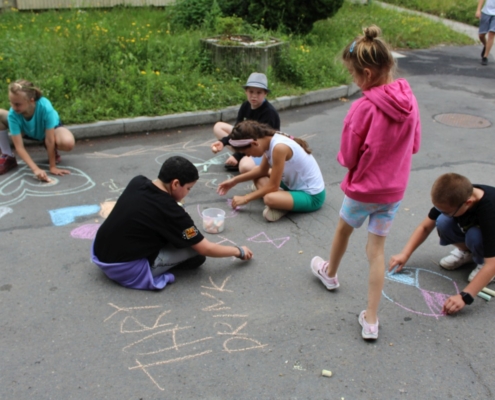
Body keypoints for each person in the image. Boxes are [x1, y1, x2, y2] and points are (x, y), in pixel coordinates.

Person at [310, 25, 421, 340]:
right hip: (393, 191)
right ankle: (371, 320)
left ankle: (330, 273)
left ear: (368, 74)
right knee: (377, 251)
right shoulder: (409, 102)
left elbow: (347, 157)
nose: (353, 80)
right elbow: (413, 146)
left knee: (344, 229)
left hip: (363, 190)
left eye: (353, 74)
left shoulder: (362, 108)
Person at [92, 156, 253, 290]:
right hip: (125, 269)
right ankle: (151, 269)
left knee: (174, 236)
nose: (188, 193)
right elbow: (205, 247)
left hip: (101, 251)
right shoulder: (172, 213)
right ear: (175, 184)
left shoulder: (138, 182)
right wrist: (238, 251)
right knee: (196, 253)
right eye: (188, 188)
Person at [389, 173, 495, 315]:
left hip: (491, 246)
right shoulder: (455, 195)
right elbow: (425, 227)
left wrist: (465, 296)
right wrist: (405, 253)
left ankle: (481, 261)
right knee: (443, 222)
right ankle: (469, 253)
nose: (443, 212)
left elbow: (492, 264)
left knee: (474, 235)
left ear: (468, 203)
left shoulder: (489, 211)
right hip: (479, 232)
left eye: (447, 211)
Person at [216, 120, 325, 222]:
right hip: (290, 184)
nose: (248, 155)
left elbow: (273, 186)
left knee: (269, 198)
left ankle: (281, 205)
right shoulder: (267, 141)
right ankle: (282, 201)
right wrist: (234, 180)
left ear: (254, 144)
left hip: (312, 196)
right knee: (255, 171)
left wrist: (245, 198)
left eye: (246, 152)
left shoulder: (279, 147)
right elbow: (261, 171)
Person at [0, 79, 75, 180]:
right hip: (27, 131)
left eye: (17, 104)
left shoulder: (45, 107)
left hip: (50, 131)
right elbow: (19, 147)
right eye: (11, 103)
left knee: (67, 143)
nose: (13, 107)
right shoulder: (13, 114)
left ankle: (52, 150)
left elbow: (49, 140)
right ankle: (8, 156)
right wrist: (36, 169)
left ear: (31, 100)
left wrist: (52, 167)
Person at [210, 72, 280, 173]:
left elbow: (260, 142)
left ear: (265, 93)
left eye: (259, 92)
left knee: (244, 167)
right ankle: (244, 155)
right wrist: (223, 142)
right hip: (247, 141)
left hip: (262, 149)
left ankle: (265, 168)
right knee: (218, 126)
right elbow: (237, 130)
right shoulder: (245, 105)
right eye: (251, 92)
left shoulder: (269, 113)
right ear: (246, 92)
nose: (254, 96)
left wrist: (237, 156)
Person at [476, 0, 495, 65]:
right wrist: (478, 10)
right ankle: (486, 46)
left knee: (491, 34)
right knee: (481, 35)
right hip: (486, 12)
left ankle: (485, 57)